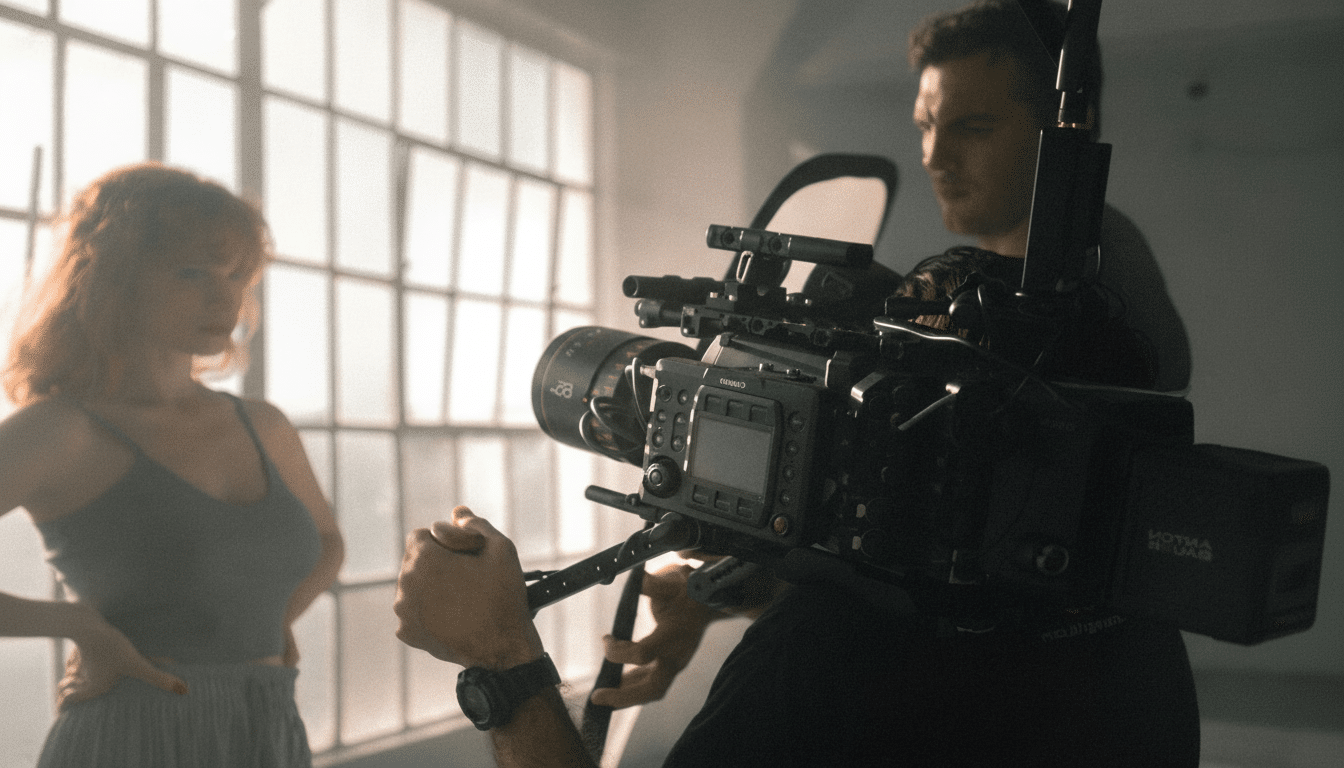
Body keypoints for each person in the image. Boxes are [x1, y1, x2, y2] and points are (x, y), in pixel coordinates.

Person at [394, 0, 1200, 765]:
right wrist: (732, 587)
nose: (935, 156)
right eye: (925, 125)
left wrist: (501, 657)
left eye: (974, 126)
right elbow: (902, 534)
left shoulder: (839, 645)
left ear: (1068, 132)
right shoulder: (1112, 608)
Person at [0, 162, 344, 766]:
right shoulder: (61, 430)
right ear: (114, 280)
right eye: (191, 273)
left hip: (267, 727)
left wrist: (272, 618)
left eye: (236, 274)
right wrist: (78, 626)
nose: (224, 296)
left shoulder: (262, 424)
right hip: (134, 735)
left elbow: (326, 541)